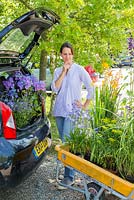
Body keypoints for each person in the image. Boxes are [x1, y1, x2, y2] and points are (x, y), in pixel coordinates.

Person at [51, 42, 94, 188]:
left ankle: (69, 177)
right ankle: (68, 172)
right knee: (64, 144)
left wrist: (84, 105)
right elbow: (55, 89)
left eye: (69, 53)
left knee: (68, 143)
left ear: (73, 54)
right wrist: (64, 71)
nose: (67, 56)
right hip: (59, 111)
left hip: (72, 113)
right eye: (64, 54)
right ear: (61, 55)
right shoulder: (58, 70)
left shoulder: (79, 70)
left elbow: (90, 87)